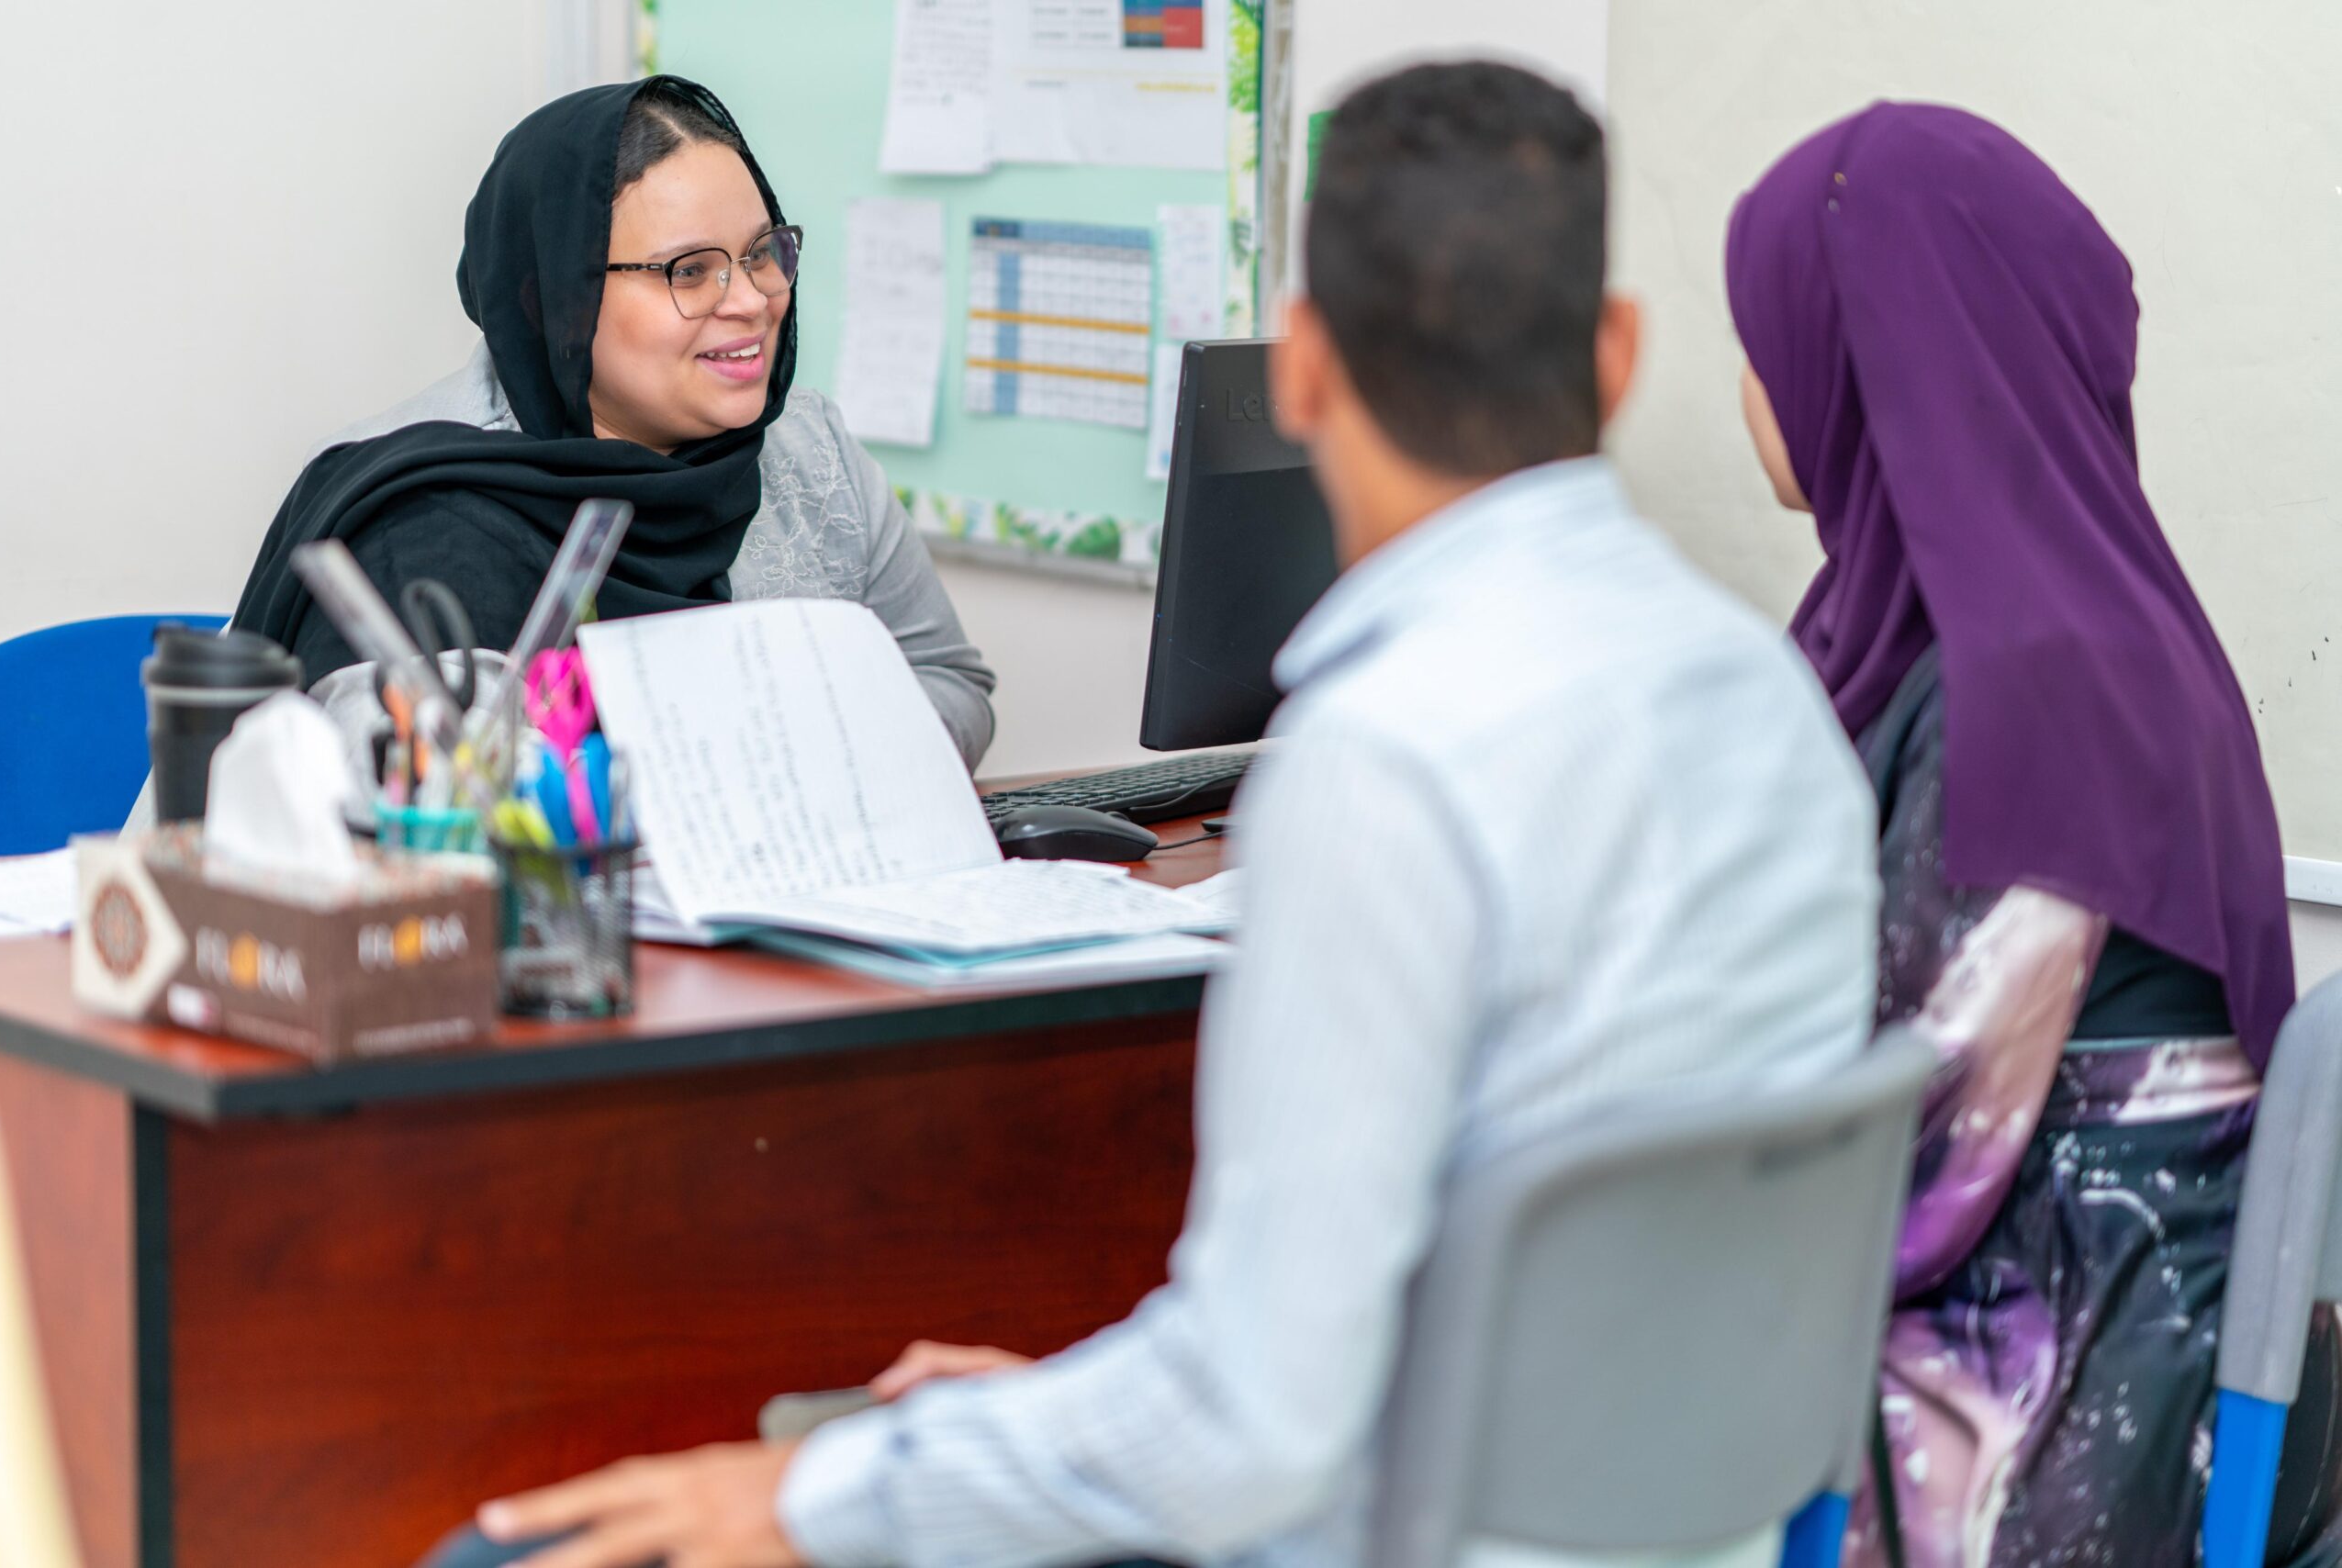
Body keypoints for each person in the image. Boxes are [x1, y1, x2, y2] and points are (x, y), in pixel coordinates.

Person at [424, 62, 1880, 1568]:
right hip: (1638, 1515)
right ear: (1618, 352)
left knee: (518, 1549)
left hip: (1376, 1517)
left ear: (1301, 371)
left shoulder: (1385, 766)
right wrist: (1066, 1406)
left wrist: (799, 1501)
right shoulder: (1775, 704)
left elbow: (1240, 1435)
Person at [1728, 103, 2336, 1568]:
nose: (1749, 377)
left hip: (2049, 1402)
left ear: (1873, 354)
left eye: (1771, 327)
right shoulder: (2029, 630)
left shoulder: (2033, 686)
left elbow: (1907, 1158)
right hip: (2105, 1324)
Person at [230, 76, 994, 768]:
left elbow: (952, 682)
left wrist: (794, 754)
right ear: (554, 301)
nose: (752, 300)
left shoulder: (807, 446)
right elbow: (419, 810)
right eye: (690, 271)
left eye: (764, 253)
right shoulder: (422, 510)